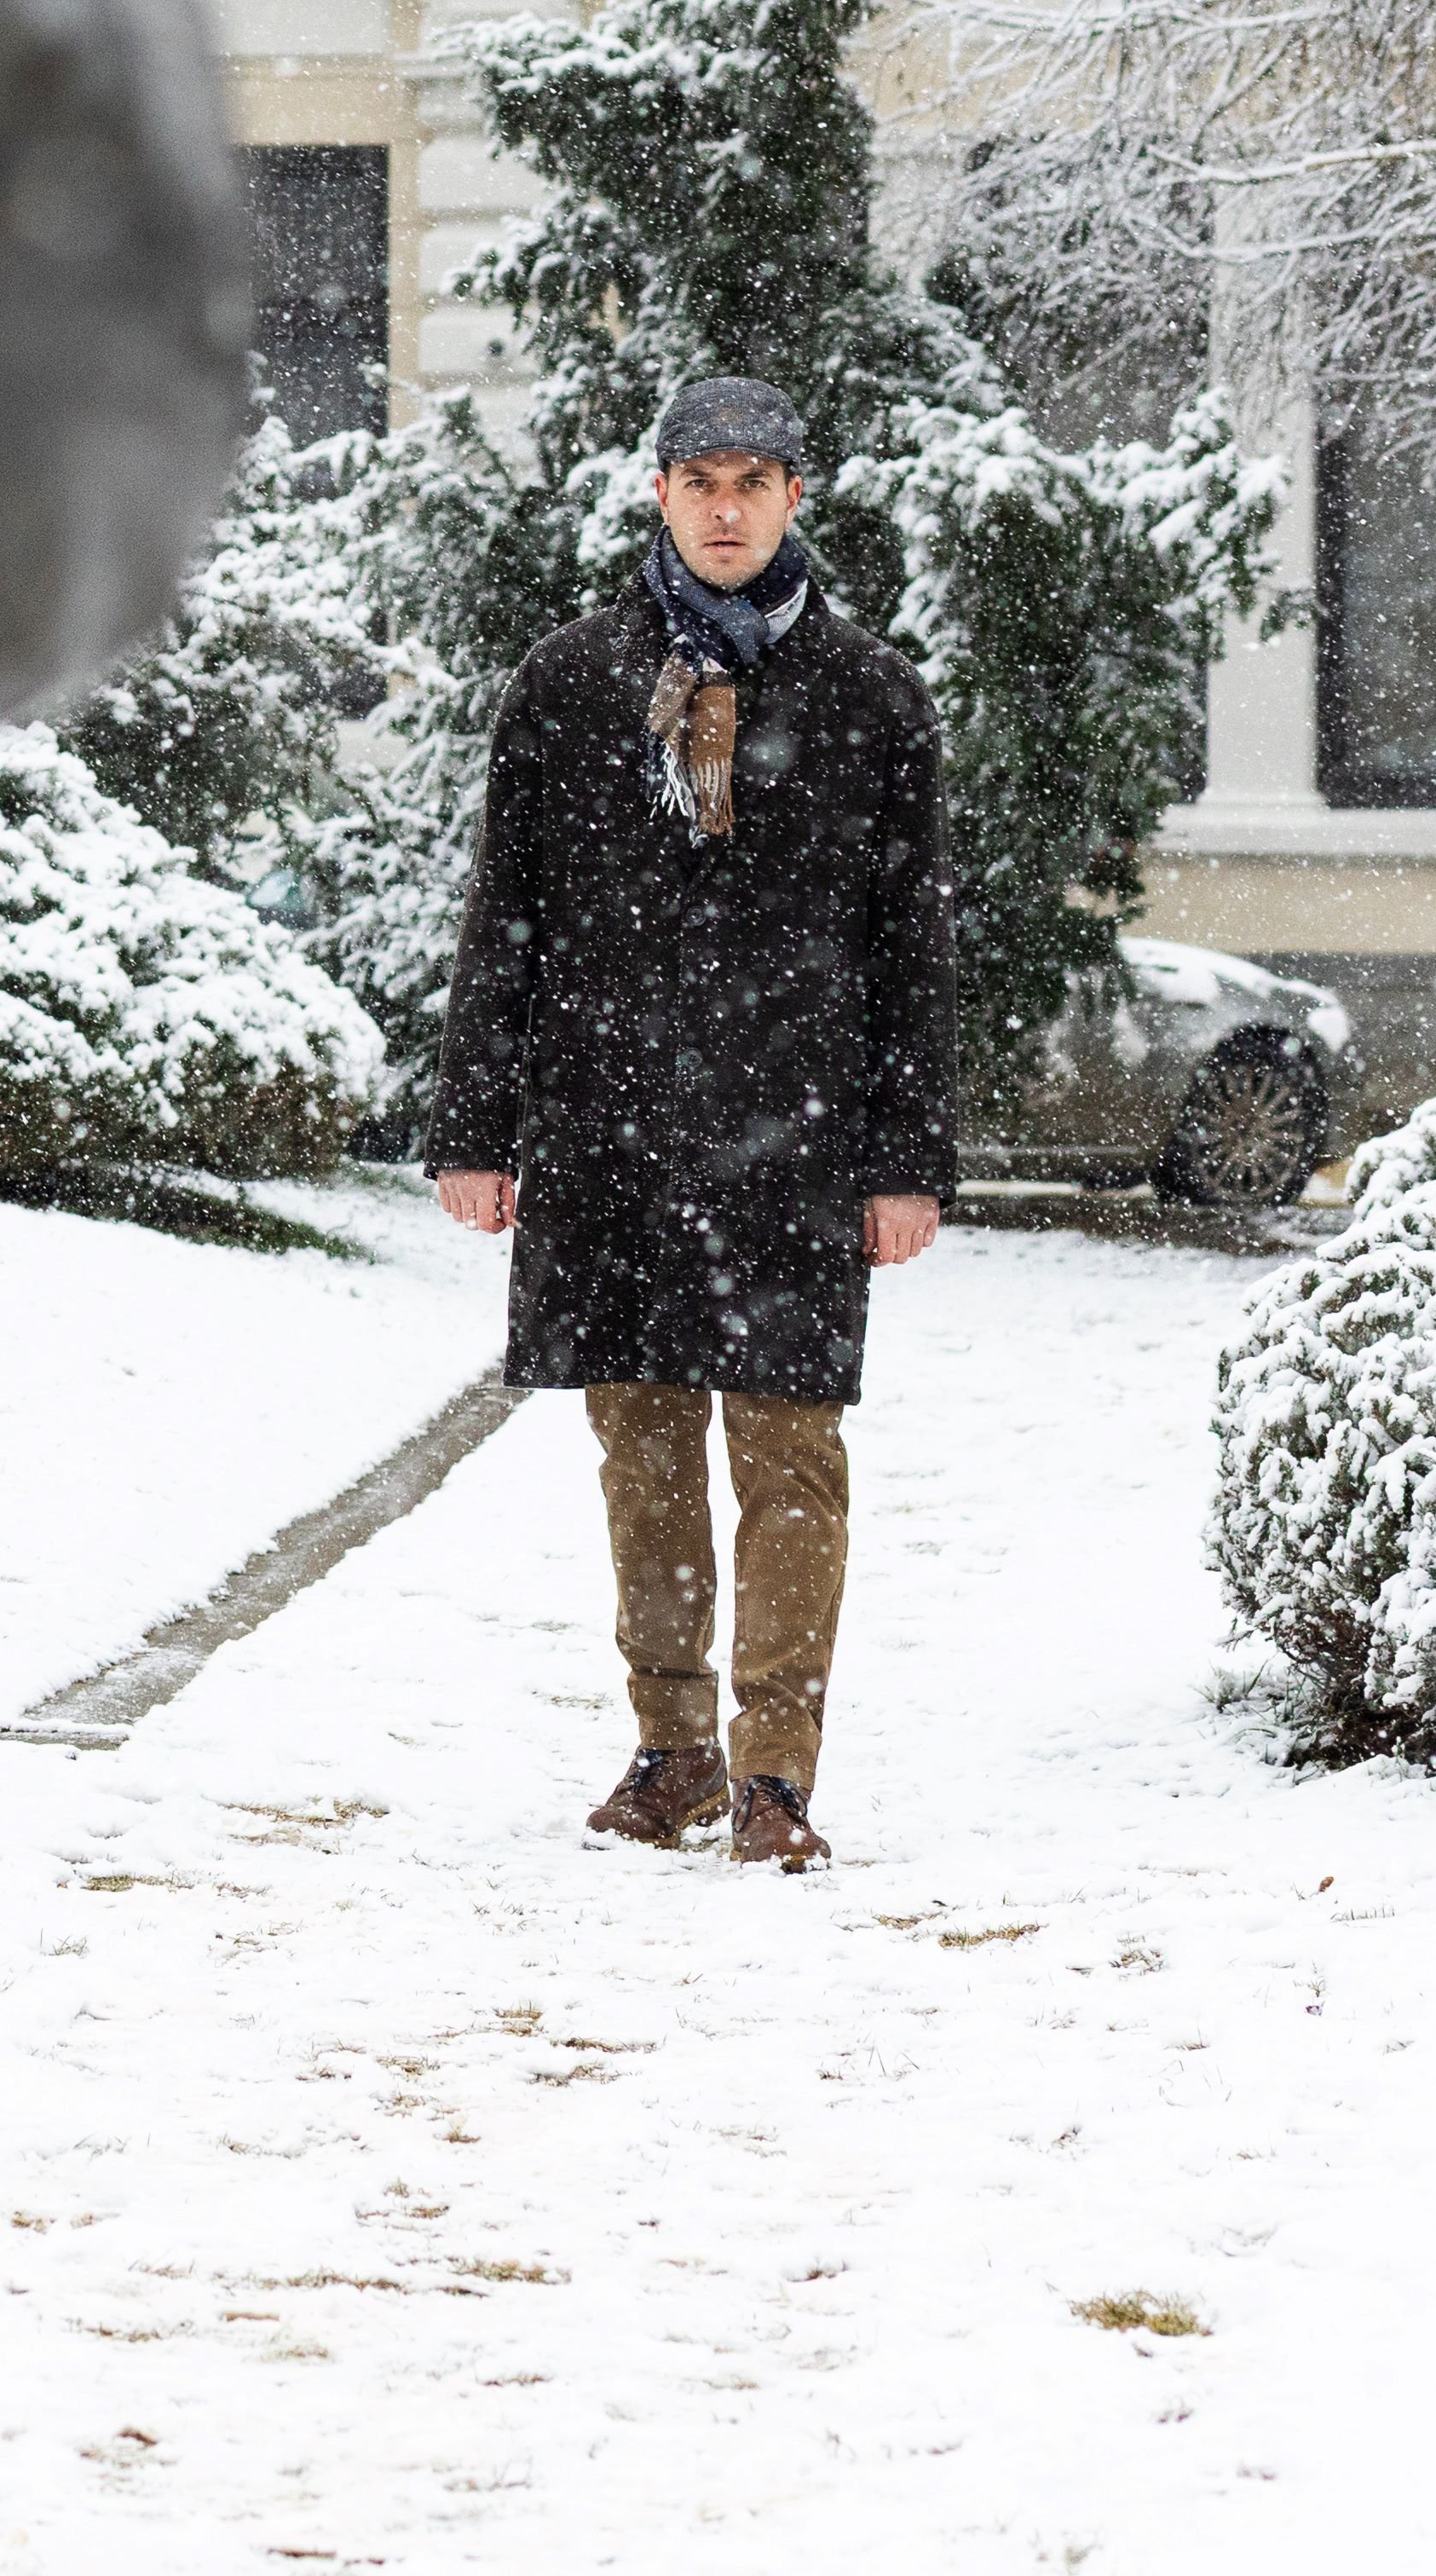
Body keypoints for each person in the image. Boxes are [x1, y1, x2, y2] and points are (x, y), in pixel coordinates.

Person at [422, 376, 954, 1874]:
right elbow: (507, 919)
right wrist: (480, 1125)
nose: (726, 506)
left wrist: (906, 1161)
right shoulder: (573, 682)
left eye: (754, 481)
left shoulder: (870, 699)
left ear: (795, 499)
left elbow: (913, 943)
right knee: (641, 1456)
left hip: (795, 1139)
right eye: (700, 480)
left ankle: (777, 1775)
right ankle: (674, 1754)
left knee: (791, 1463)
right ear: (659, 494)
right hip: (611, 1130)